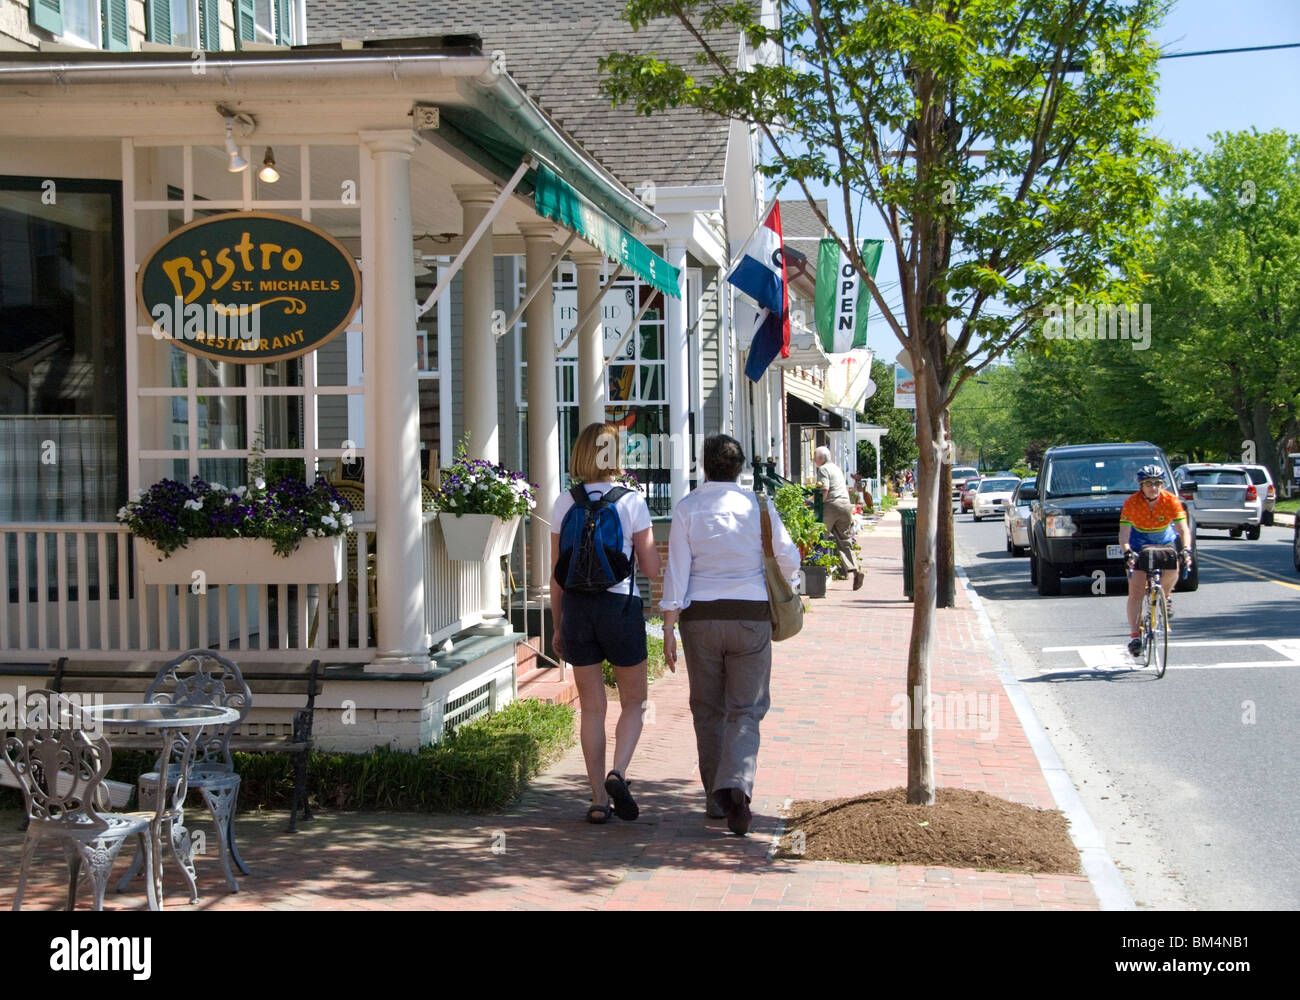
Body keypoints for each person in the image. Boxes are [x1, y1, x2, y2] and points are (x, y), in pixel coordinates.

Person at [659, 434, 801, 836]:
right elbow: (789, 558)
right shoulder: (758, 506)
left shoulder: (687, 508)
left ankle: (714, 798)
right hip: (749, 616)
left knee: (707, 709)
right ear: (740, 468)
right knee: (745, 709)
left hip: (699, 619)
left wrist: (668, 629)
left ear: (705, 465)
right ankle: (737, 784)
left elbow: (677, 574)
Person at [550, 423, 661, 824]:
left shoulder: (565, 502)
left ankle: (598, 799)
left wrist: (559, 625)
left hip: (578, 610)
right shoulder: (631, 500)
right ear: (615, 454)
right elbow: (649, 566)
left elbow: (556, 574)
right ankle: (619, 773)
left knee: (592, 709)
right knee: (634, 701)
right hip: (620, 608)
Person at [1118, 464, 1192, 656]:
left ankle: (1165, 596)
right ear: (1141, 486)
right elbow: (1124, 533)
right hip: (1138, 544)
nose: (1154, 487)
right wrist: (1127, 552)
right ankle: (1135, 636)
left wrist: (1186, 549)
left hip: (1164, 541)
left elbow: (1183, 529)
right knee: (1136, 590)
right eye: (1149, 483)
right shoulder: (1131, 503)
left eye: (1158, 483)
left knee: (1173, 565)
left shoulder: (1171, 500)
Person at [812, 446, 864, 589]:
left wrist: (814, 503)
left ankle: (815, 571)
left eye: (815, 457)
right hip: (846, 505)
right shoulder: (836, 468)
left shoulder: (823, 469)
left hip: (832, 505)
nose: (814, 459)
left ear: (820, 458)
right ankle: (855, 570)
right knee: (844, 540)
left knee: (819, 537)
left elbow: (825, 489)